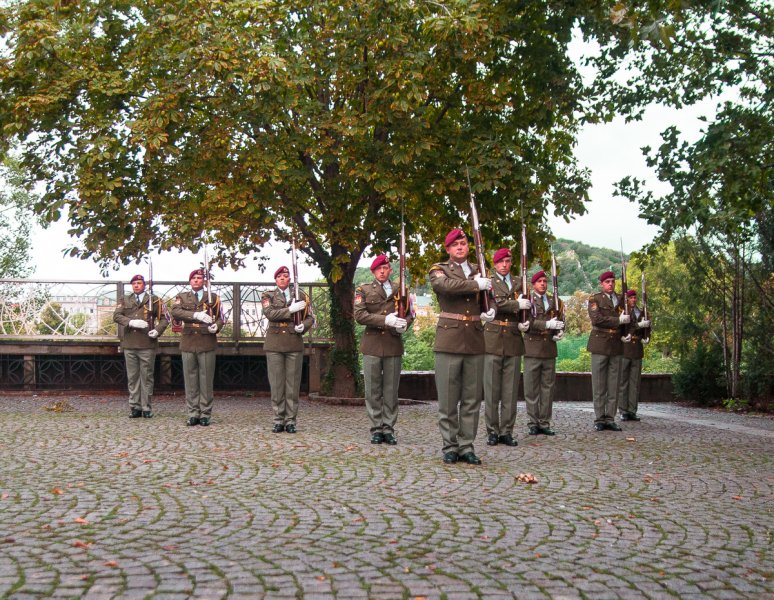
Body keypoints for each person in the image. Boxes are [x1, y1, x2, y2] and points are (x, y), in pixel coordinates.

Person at [429, 228, 494, 465]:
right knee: (448, 399)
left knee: (471, 399)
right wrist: (475, 285)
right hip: (449, 340)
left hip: (475, 339)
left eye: (463, 243)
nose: (460, 247)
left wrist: (491, 310)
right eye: (455, 244)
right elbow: (445, 286)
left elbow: (491, 298)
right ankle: (450, 446)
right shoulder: (439, 269)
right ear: (448, 249)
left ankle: (467, 446)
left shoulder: (480, 271)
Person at [354, 254, 413, 445]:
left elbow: (410, 313)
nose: (382, 271)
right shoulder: (363, 289)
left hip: (393, 343)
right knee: (373, 390)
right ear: (373, 271)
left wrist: (405, 325)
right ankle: (376, 428)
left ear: (390, 270)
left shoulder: (401, 289)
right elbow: (360, 315)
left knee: (391, 390)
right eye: (378, 269)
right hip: (372, 344)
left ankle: (388, 428)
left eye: (385, 268)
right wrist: (385, 320)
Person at [483, 248, 531, 447]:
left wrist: (525, 322)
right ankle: (492, 431)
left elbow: (529, 307)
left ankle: (506, 431)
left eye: (508, 261)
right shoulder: (489, 282)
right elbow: (494, 304)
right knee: (492, 390)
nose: (504, 265)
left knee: (510, 392)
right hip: (492, 338)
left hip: (513, 337)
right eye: (500, 261)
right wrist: (516, 305)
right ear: (495, 264)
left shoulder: (521, 282)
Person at [262, 266, 314, 434]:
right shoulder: (268, 295)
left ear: (290, 278)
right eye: (280, 276)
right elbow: (270, 314)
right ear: (276, 280)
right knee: (277, 384)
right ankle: (278, 419)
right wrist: (290, 310)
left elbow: (310, 317)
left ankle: (291, 420)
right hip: (275, 343)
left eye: (285, 276)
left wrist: (303, 326)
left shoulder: (300, 295)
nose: (283, 278)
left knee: (292, 384)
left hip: (293, 341)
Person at [171, 269, 224, 427]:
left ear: (204, 281)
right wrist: (195, 315)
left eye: (199, 278)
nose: (196, 280)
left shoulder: (213, 297)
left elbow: (221, 317)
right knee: (190, 379)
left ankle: (205, 413)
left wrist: (216, 326)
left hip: (206, 340)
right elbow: (175, 312)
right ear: (190, 281)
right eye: (193, 278)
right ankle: (193, 413)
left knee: (206, 379)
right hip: (188, 341)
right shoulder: (182, 297)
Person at [113, 274, 169, 418]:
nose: (136, 285)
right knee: (132, 377)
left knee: (147, 377)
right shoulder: (125, 299)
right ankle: (135, 406)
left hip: (147, 342)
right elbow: (116, 316)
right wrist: (130, 322)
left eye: (139, 283)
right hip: (130, 342)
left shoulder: (154, 300)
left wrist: (157, 330)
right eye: (134, 283)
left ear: (144, 285)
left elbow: (165, 318)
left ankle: (146, 407)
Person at [523, 270, 564, 435]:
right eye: (539, 281)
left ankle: (544, 422)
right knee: (531, 389)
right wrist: (547, 325)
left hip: (549, 348)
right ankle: (533, 422)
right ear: (533, 284)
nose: (542, 284)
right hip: (532, 348)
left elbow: (561, 319)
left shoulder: (555, 301)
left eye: (544, 281)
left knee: (547, 389)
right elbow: (527, 322)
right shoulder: (528, 300)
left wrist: (560, 331)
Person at [587, 270, 630, 431]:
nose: (610, 284)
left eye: (612, 281)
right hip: (600, 343)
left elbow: (629, 319)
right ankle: (599, 418)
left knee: (614, 385)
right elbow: (597, 319)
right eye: (607, 282)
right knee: (599, 385)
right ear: (602, 284)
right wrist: (618, 320)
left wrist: (628, 332)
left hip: (616, 344)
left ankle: (610, 418)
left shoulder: (621, 299)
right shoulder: (595, 299)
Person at [619, 289, 651, 421]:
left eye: (634, 298)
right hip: (625, 348)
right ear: (626, 299)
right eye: (631, 298)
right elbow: (624, 328)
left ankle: (632, 410)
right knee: (623, 382)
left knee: (635, 383)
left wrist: (647, 337)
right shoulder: (623, 312)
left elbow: (647, 327)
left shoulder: (641, 312)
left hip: (637, 348)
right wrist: (639, 325)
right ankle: (623, 410)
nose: (633, 300)